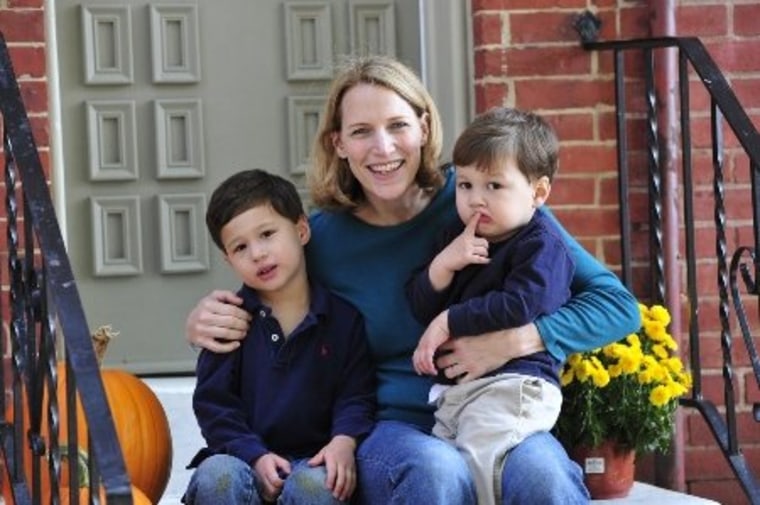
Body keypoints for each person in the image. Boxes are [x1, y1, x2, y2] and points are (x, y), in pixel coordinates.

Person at [184, 55, 641, 505]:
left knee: (545, 477)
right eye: (361, 131)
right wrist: (204, 322)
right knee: (436, 472)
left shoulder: (484, 196)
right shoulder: (320, 240)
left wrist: (516, 341)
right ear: (338, 143)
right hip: (392, 427)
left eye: (397, 125)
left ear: (424, 127)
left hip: (499, 411)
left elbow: (616, 307)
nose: (383, 148)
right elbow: (264, 288)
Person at [407, 107, 574, 505]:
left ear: (538, 192)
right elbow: (418, 304)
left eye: (494, 186)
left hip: (513, 385)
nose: (475, 199)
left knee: (483, 467)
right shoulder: (457, 236)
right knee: (453, 469)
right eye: (465, 185)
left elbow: (520, 304)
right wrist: (445, 264)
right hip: (460, 394)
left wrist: (450, 320)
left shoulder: (542, 244)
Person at [183, 169, 376, 505]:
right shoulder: (229, 322)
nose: (257, 253)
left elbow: (355, 395)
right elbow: (215, 405)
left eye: (268, 234)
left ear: (301, 230)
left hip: (314, 462)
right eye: (241, 247)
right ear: (229, 260)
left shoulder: (344, 319)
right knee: (216, 476)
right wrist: (254, 455)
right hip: (244, 461)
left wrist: (344, 441)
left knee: (315, 488)